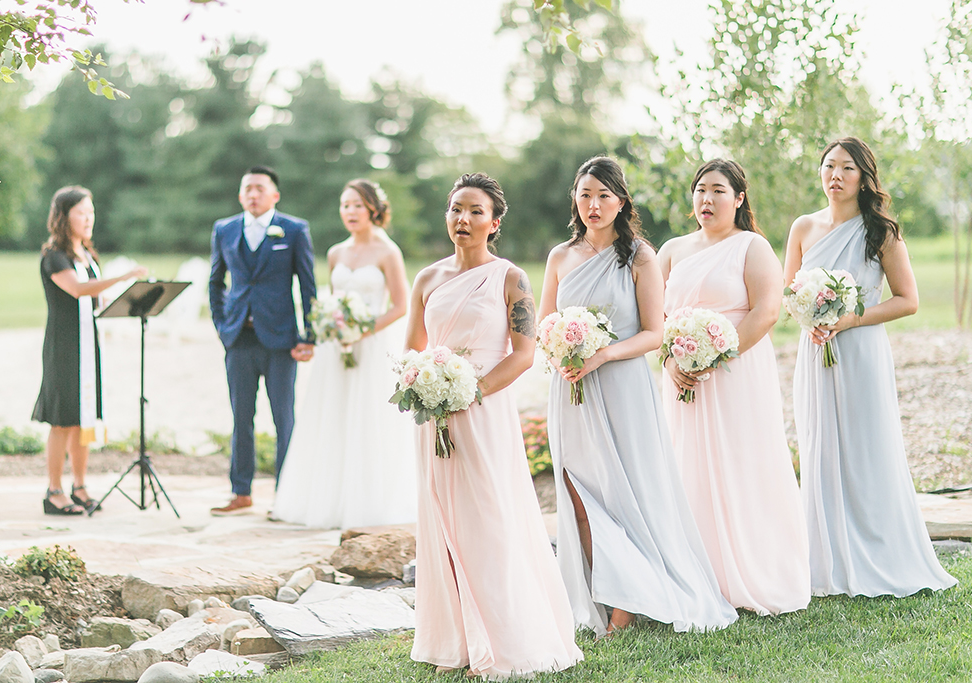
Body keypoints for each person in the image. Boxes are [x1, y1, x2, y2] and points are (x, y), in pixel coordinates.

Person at [539, 156, 737, 636]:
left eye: (604, 195)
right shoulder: (560, 257)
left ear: (621, 201)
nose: (593, 205)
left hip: (622, 386)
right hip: (570, 389)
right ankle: (606, 594)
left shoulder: (640, 256)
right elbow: (544, 325)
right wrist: (560, 352)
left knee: (626, 492)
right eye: (585, 195)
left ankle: (629, 601)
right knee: (577, 493)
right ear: (575, 200)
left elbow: (655, 332)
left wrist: (601, 354)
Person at [406, 173, 582, 678]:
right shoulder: (428, 279)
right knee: (441, 522)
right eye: (456, 209)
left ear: (494, 221)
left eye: (475, 211)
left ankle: (508, 639)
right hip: (432, 415)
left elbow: (524, 355)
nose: (463, 219)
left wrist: (469, 391)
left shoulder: (510, 279)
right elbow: (412, 350)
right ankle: (456, 640)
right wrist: (424, 384)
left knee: (489, 519)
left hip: (483, 412)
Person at [783, 137, 957, 597]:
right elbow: (788, 295)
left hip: (860, 352)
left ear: (864, 178)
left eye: (847, 168)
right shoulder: (802, 228)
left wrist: (849, 318)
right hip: (815, 352)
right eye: (829, 166)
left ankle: (877, 551)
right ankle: (826, 557)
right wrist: (810, 317)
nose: (835, 175)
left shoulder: (880, 230)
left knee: (864, 449)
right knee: (820, 446)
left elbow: (909, 301)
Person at [658, 159, 811, 616]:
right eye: (700, 189)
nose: (707, 199)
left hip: (735, 372)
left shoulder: (752, 246)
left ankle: (754, 570)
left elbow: (766, 311)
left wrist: (713, 358)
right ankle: (696, 573)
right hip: (680, 374)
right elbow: (654, 319)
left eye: (718, 191)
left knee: (741, 462)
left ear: (739, 198)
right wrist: (671, 360)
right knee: (688, 467)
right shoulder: (670, 250)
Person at [272, 179, 416, 528]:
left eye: (357, 205)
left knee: (368, 420)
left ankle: (368, 505)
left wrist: (362, 330)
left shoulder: (387, 252)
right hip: (336, 348)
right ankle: (327, 501)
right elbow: (334, 301)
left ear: (373, 210)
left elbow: (401, 305)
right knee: (332, 417)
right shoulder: (336, 252)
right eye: (345, 205)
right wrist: (334, 327)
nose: (349, 212)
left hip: (372, 345)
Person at [32, 186, 147, 515]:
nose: (88, 218)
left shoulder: (90, 256)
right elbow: (79, 290)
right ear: (63, 216)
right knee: (62, 419)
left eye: (91, 212)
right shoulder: (54, 256)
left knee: (84, 420)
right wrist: (124, 276)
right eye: (81, 212)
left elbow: (98, 300)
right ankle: (53, 491)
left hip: (89, 345)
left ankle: (79, 486)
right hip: (64, 346)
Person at [208, 166, 317, 515]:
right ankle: (241, 491)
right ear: (241, 195)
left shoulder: (294, 229)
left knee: (283, 418)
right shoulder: (224, 229)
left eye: (260, 188)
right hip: (239, 338)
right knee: (241, 417)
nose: (253, 194)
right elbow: (215, 282)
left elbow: (308, 284)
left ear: (275, 195)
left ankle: (286, 494)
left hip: (281, 339)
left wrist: (309, 335)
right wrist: (223, 326)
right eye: (247, 189)